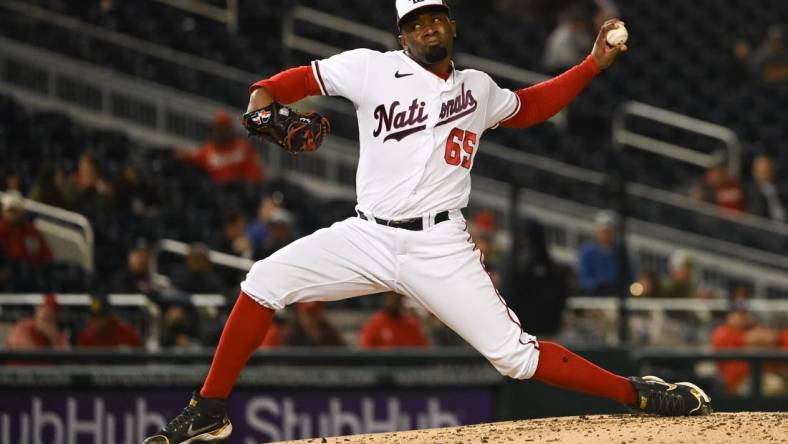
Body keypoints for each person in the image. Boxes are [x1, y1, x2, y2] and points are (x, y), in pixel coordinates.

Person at [144, 3, 710, 443]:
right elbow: (279, 85)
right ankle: (209, 410)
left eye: (436, 17)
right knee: (263, 281)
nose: (427, 27)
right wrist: (259, 109)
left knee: (515, 358)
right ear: (402, 36)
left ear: (452, 27)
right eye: (415, 22)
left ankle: (636, 393)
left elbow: (532, 107)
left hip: (440, 243)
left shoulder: (478, 89)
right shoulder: (369, 68)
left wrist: (591, 66)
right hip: (367, 234)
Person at [175, 111, 265, 185]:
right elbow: (191, 156)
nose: (219, 133)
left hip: (242, 193)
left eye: (223, 129)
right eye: (217, 129)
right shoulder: (208, 150)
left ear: (229, 129)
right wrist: (181, 153)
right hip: (219, 195)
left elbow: (255, 174)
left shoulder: (243, 147)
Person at [577, 210, 631, 295]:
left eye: (609, 231)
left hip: (616, 294)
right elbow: (584, 278)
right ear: (597, 232)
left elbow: (628, 276)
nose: (606, 235)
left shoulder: (620, 252)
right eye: (603, 231)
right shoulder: (587, 252)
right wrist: (597, 285)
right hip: (593, 295)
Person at [0, 191, 53, 267]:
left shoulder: (31, 231)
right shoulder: (1, 230)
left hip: (32, 273)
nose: (13, 214)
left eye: (16, 210)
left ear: (22, 211)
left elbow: (47, 255)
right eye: (10, 210)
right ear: (3, 211)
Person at [358, 292, 429, 348]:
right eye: (391, 296)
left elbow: (422, 350)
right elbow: (365, 348)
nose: (394, 300)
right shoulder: (375, 323)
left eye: (397, 296)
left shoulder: (411, 324)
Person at [76, 294, 144, 348]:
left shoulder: (127, 333)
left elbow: (141, 360)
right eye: (94, 317)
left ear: (109, 315)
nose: (97, 321)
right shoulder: (86, 336)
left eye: (100, 316)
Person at [745, 154, 787, 222]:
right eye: (762, 172)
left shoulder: (781, 189)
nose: (765, 174)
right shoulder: (750, 193)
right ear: (755, 173)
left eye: (768, 170)